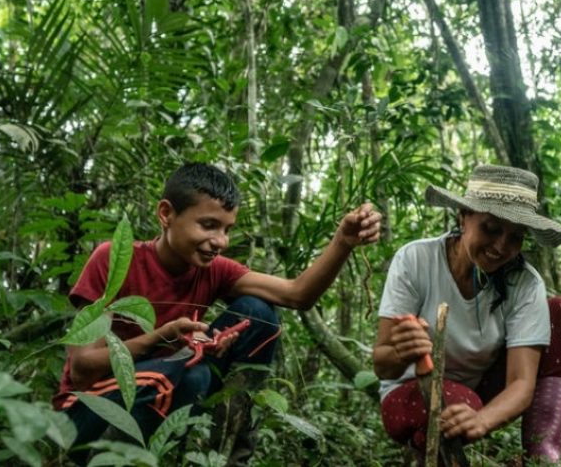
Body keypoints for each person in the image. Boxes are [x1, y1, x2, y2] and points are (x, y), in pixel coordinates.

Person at [52, 162, 382, 461]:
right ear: (166, 214)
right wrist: (164, 337)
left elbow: (297, 295)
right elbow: (82, 368)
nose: (219, 240)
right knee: (184, 370)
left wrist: (343, 241)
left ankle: (228, 453)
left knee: (257, 315)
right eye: (208, 225)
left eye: (226, 229)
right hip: (85, 414)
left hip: (167, 385)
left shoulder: (213, 269)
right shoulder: (115, 258)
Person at [373, 164, 561, 463]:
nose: (501, 246)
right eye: (491, 229)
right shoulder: (415, 259)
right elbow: (383, 366)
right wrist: (403, 351)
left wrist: (483, 419)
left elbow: (522, 383)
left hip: (478, 390)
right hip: (412, 387)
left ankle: (543, 456)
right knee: (452, 406)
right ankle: (428, 456)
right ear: (463, 216)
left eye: (515, 237)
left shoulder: (524, 281)